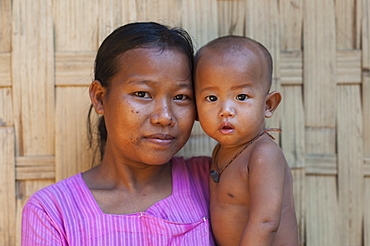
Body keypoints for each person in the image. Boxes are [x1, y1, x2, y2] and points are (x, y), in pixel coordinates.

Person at [22, 22, 215, 245]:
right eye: (142, 93)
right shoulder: (53, 212)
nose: (165, 116)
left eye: (181, 97)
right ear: (100, 97)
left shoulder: (214, 179)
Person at [194, 35, 298, 246]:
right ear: (196, 108)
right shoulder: (220, 151)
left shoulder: (263, 155)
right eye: (212, 98)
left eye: (241, 97)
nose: (225, 111)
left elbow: (266, 222)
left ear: (268, 104)